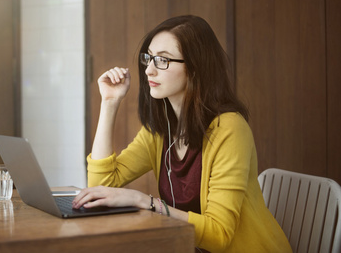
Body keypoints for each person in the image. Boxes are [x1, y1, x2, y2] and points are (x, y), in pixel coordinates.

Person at [72, 15, 292, 252]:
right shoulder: (160, 128)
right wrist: (109, 102)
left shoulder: (229, 129)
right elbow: (100, 186)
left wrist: (143, 201)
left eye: (163, 60)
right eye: (149, 58)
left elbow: (219, 236)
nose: (149, 70)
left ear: (195, 68)